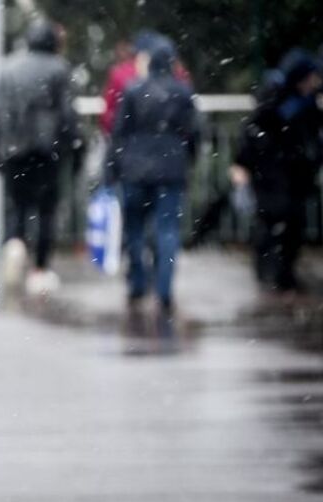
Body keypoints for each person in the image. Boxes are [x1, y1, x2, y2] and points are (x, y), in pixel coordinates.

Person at [230, 50, 323, 292]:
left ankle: (282, 275)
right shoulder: (279, 100)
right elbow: (254, 131)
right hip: (272, 174)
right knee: (272, 222)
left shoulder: (309, 101)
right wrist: (242, 165)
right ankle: (271, 274)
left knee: (290, 226)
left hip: (294, 175)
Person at [0, 19, 81, 294]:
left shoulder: (7, 68)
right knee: (46, 210)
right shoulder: (59, 68)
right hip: (47, 149)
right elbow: (67, 114)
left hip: (14, 148)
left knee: (17, 205)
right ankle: (40, 270)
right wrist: (73, 145)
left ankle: (15, 244)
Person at [109, 37, 199, 312]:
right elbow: (194, 132)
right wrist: (187, 158)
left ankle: (137, 284)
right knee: (167, 230)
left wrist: (114, 167)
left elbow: (119, 133)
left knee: (134, 229)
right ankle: (164, 289)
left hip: (135, 170)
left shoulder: (133, 89)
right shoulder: (182, 93)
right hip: (170, 170)